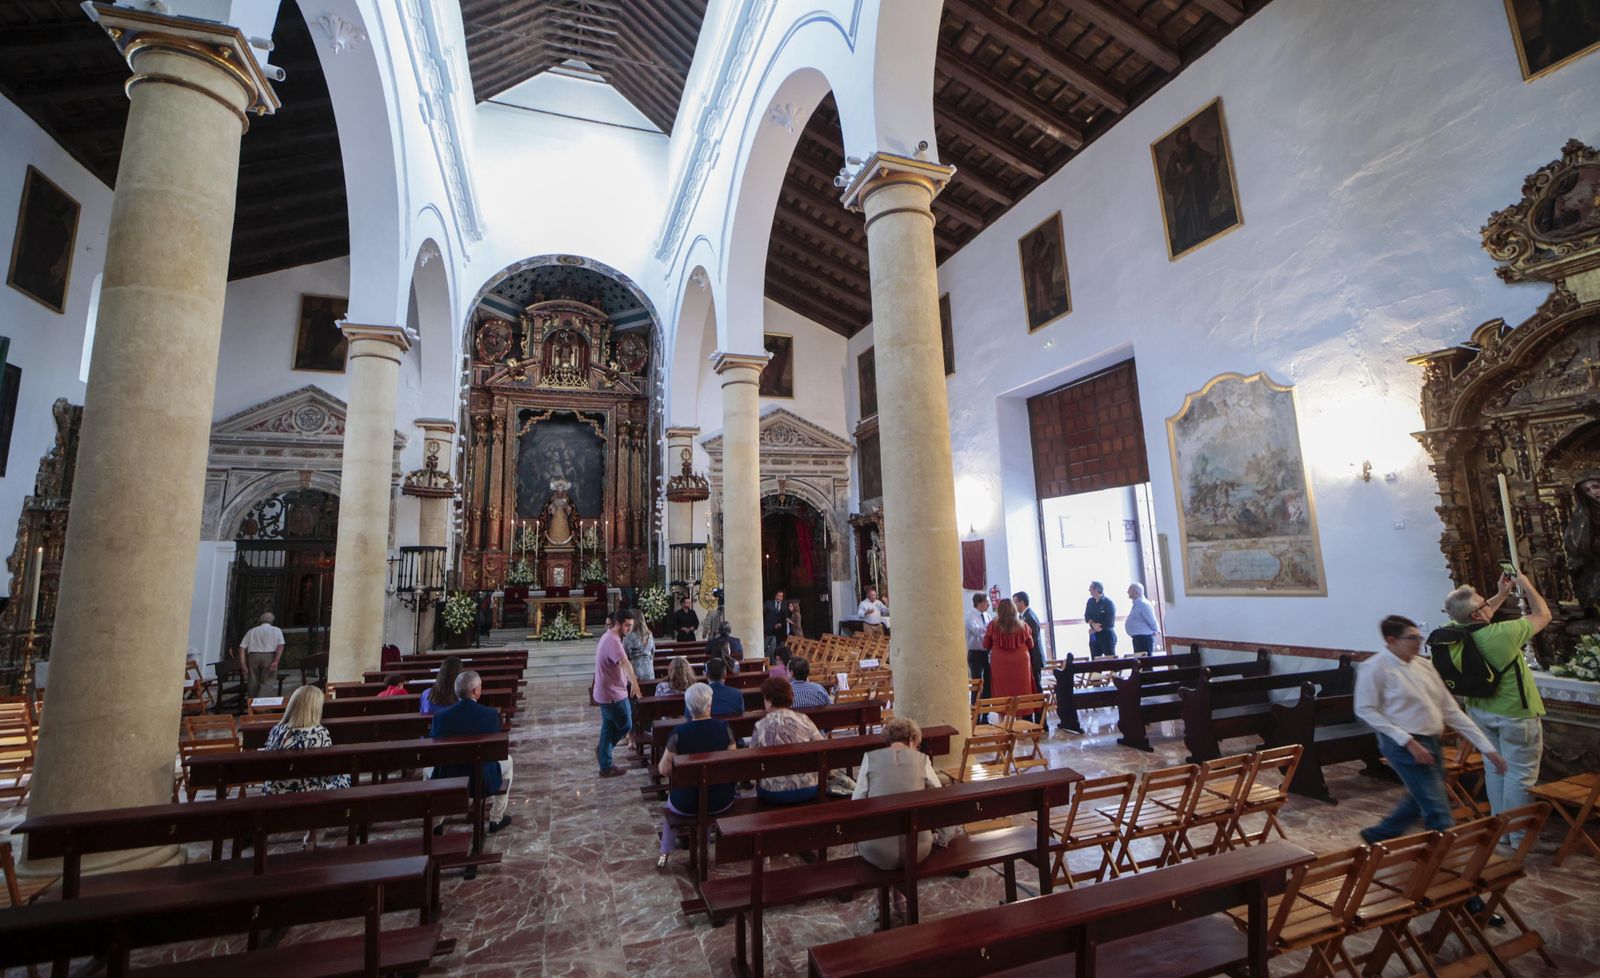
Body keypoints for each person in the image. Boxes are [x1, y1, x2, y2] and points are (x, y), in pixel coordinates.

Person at [1355, 615, 1505, 845]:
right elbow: (1365, 710)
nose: (1418, 642)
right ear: (1391, 640)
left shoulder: (1424, 665)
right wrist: (1408, 742)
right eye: (1412, 637)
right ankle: (1446, 861)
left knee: (1421, 798)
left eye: (1419, 636)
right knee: (1437, 808)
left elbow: (1450, 709)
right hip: (1403, 744)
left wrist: (1487, 748)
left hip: (1431, 740)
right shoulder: (1374, 667)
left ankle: (1378, 835)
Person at [1442, 572, 1551, 835]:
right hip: (1515, 714)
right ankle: (1518, 836)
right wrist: (1525, 585)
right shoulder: (1504, 633)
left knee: (1496, 771)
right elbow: (1544, 614)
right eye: (1483, 602)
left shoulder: (1453, 633)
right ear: (1478, 614)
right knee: (1520, 776)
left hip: (1480, 712)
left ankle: (1498, 832)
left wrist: (1502, 594)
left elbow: (1469, 612)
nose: (1487, 603)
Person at [853, 717, 958, 876]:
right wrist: (943, 838)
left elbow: (857, 801)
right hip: (917, 850)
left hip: (875, 850)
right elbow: (940, 797)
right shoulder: (922, 760)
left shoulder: (869, 758)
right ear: (912, 739)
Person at [657, 682, 737, 868]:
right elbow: (732, 763)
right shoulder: (725, 728)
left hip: (686, 802)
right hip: (721, 800)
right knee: (708, 791)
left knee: (671, 806)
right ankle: (706, 847)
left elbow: (663, 770)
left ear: (688, 707)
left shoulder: (679, 733)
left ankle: (664, 854)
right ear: (709, 705)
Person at [430, 670, 513, 833]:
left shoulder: (440, 717)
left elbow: (434, 746)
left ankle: (435, 823)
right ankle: (496, 818)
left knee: (429, 773)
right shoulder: (490, 715)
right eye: (480, 686)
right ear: (476, 691)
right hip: (481, 778)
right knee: (508, 762)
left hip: (448, 774)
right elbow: (495, 750)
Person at [261, 685, 350, 795]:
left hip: (274, 791)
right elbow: (328, 773)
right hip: (306, 793)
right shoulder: (319, 733)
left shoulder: (276, 730)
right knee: (345, 776)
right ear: (316, 709)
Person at [749, 676, 825, 804]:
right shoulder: (803, 719)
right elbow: (823, 746)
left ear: (769, 700)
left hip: (773, 792)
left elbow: (752, 761)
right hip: (809, 787)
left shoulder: (760, 725)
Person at [594, 610, 641, 778]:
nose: (628, 629)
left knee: (608, 726)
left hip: (606, 692)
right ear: (618, 624)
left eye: (631, 626)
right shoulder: (613, 641)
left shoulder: (608, 637)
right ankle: (604, 752)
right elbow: (625, 663)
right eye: (627, 625)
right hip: (612, 694)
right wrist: (635, 684)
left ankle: (605, 763)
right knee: (626, 724)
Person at [984, 598, 1035, 699]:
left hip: (999, 661)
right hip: (1021, 661)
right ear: (1014, 609)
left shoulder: (993, 625)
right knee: (1021, 689)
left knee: (1002, 689)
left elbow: (985, 644)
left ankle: (1002, 713)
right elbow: (1031, 644)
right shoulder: (1023, 625)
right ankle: (1021, 713)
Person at [237, 611, 285, 701]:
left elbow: (242, 647)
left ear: (261, 620)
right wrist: (275, 661)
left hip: (253, 656)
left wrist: (243, 664)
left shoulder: (252, 631)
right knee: (268, 681)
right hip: (269, 656)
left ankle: (252, 703)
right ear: (272, 621)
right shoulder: (276, 630)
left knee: (253, 680)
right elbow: (280, 646)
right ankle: (262, 707)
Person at [1013, 591, 1045, 706]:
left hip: (1034, 658)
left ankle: (1041, 720)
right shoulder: (1024, 616)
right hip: (1031, 657)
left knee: (1037, 689)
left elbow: (1033, 640)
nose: (1014, 605)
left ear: (1022, 602)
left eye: (1015, 602)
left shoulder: (1029, 617)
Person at [965, 592, 992, 699]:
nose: (988, 604)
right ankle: (976, 713)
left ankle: (985, 713)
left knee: (988, 683)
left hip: (987, 653)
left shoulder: (988, 616)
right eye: (986, 602)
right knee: (977, 683)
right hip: (975, 653)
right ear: (978, 603)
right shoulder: (970, 615)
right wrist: (989, 630)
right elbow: (977, 631)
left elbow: (990, 632)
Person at [1124, 583, 1160, 655]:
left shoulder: (1143, 604)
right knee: (1139, 662)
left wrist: (1156, 630)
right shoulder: (1137, 604)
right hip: (1138, 638)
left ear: (1135, 592)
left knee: (1147, 662)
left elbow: (1151, 620)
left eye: (1129, 590)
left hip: (1144, 638)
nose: (1127, 592)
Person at [624, 611, 657, 684]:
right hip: (649, 669)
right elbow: (653, 652)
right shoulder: (650, 634)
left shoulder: (629, 637)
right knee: (648, 692)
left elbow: (624, 656)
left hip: (635, 670)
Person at [1085, 582, 1117, 658]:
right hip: (1093, 635)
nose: (1089, 590)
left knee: (1110, 659)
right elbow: (1087, 616)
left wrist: (1097, 628)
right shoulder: (1090, 601)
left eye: (1090, 588)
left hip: (1106, 634)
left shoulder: (1108, 603)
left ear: (1096, 589)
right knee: (1095, 659)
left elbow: (1110, 621)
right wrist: (1093, 624)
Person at [764, 589, 788, 659]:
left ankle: (774, 659)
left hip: (779, 631)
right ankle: (767, 659)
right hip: (768, 629)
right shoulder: (768, 603)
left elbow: (785, 617)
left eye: (780, 596)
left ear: (782, 598)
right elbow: (761, 612)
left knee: (777, 646)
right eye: (778, 595)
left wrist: (780, 624)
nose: (779, 597)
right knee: (768, 645)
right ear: (775, 596)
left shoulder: (784, 606)